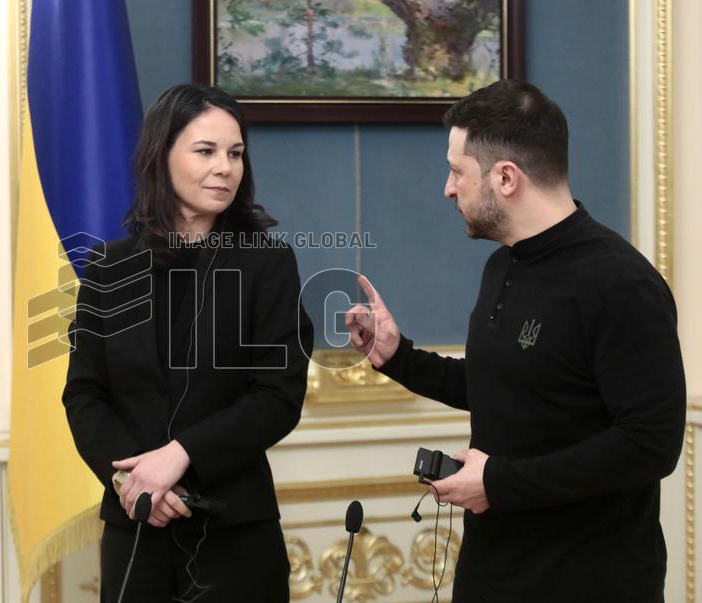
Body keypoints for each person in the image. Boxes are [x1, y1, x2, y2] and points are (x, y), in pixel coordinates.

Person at [346, 80, 685, 602]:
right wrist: (397, 356)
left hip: (591, 582)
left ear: (506, 178)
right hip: (492, 573)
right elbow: (508, 387)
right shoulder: (502, 264)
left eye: (457, 171)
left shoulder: (622, 285)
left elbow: (650, 445)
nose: (448, 188)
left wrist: (500, 483)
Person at [63, 83, 314, 602]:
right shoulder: (109, 268)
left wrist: (178, 457)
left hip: (235, 537)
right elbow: (85, 394)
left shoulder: (267, 264)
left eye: (236, 153)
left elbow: (277, 398)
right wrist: (133, 482)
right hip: (136, 534)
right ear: (163, 156)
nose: (225, 167)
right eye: (206, 151)